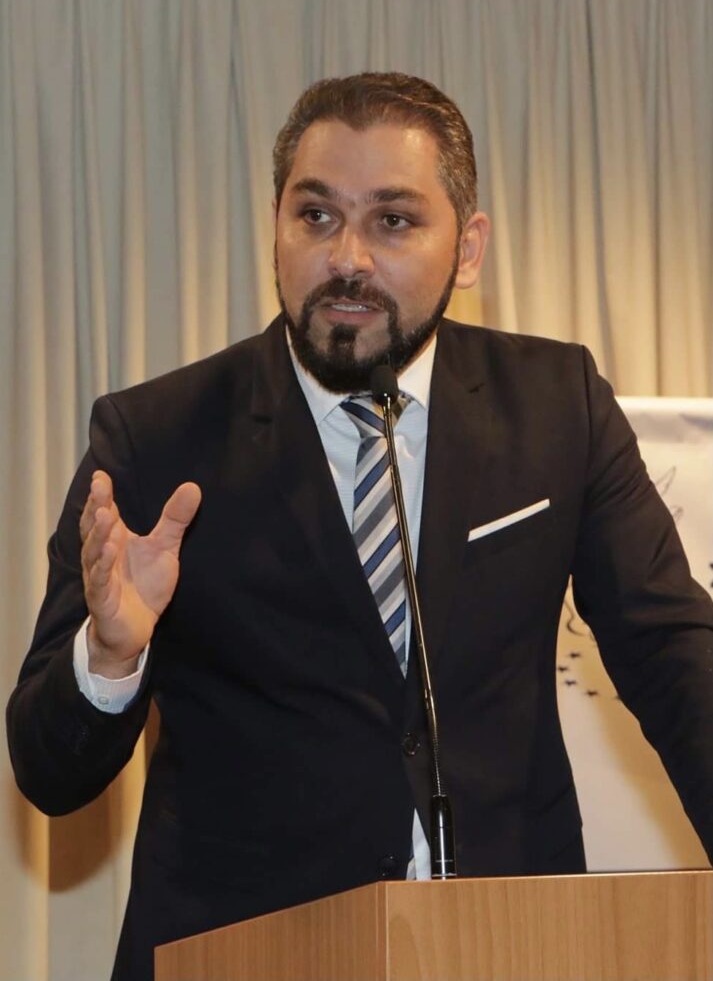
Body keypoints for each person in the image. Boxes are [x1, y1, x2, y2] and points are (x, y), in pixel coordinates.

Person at [7, 72, 713, 981]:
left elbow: (670, 656)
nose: (347, 258)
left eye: (392, 220)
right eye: (316, 216)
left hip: (510, 942)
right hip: (244, 951)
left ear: (467, 247)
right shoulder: (157, 439)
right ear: (275, 227)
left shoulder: (554, 403)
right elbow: (48, 772)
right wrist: (109, 657)